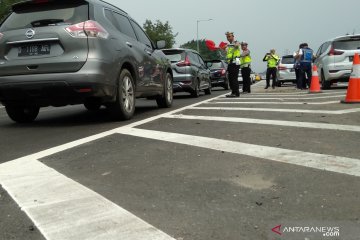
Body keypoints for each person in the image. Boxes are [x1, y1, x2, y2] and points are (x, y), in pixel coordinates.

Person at [222, 31, 241, 97]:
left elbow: (237, 45)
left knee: (234, 78)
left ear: (233, 36)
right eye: (227, 37)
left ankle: (236, 93)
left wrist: (227, 45)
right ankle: (234, 92)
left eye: (229, 36)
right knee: (230, 78)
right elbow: (226, 54)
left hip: (236, 61)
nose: (228, 38)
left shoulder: (236, 42)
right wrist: (224, 49)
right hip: (230, 62)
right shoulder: (229, 46)